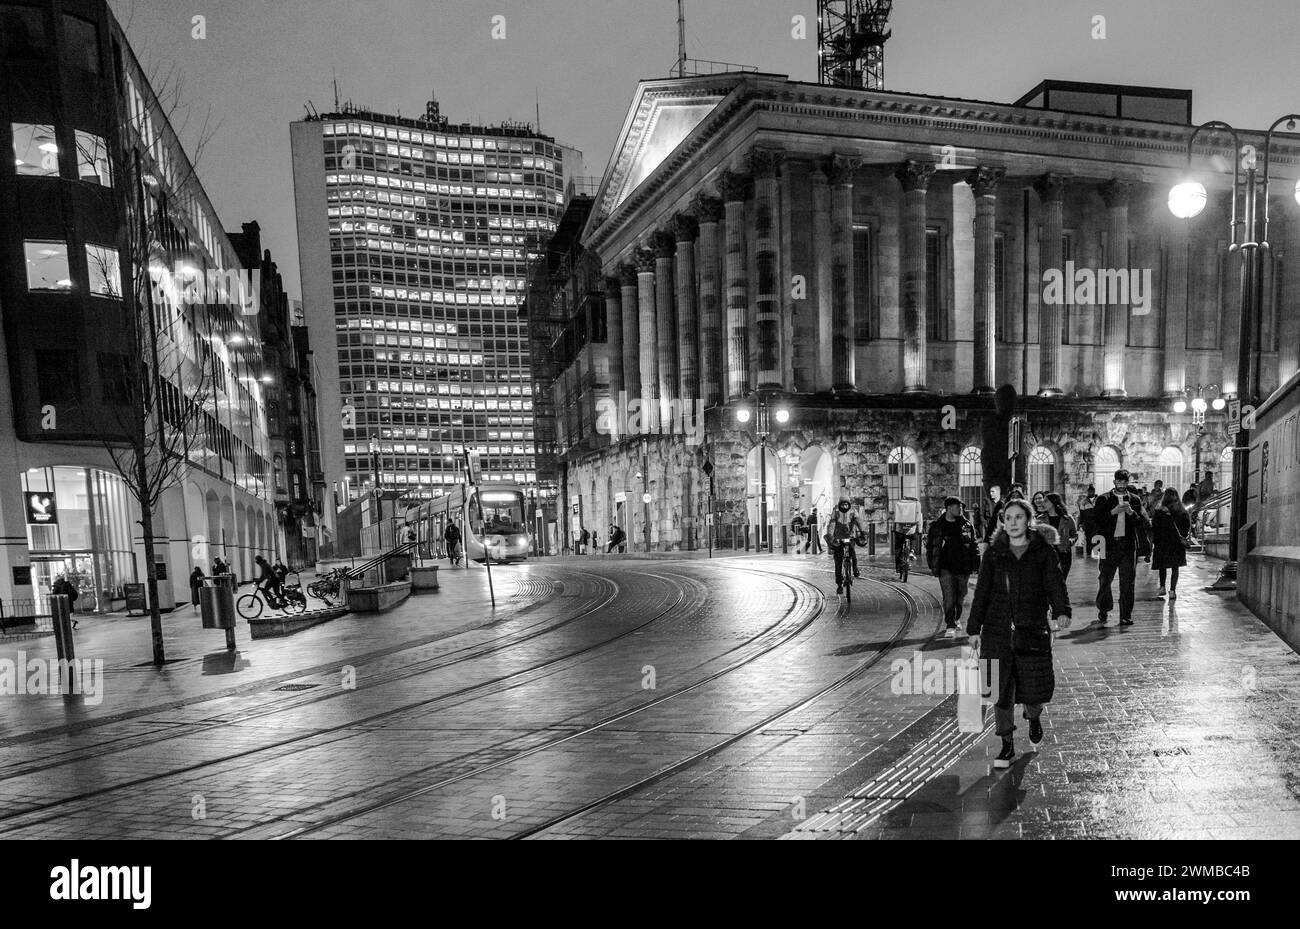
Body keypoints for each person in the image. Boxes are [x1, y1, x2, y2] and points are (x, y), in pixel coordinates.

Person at [968, 499, 1072, 769]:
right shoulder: (993, 553)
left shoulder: (1043, 551)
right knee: (999, 691)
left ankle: (1033, 716)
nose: (1012, 523)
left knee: (1033, 687)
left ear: (1028, 520)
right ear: (1003, 522)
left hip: (1032, 628)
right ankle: (1006, 745)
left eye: (1018, 517)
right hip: (996, 631)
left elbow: (1054, 583)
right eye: (1008, 518)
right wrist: (973, 628)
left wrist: (1062, 610)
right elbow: (982, 592)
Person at [1092, 469, 1150, 627]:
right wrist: (1113, 512)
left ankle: (1125, 615)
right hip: (1107, 545)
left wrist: (1131, 513)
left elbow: (1141, 523)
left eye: (1125, 482)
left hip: (1128, 546)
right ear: (1114, 482)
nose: (1122, 485)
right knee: (1105, 579)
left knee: (1128, 582)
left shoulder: (1135, 499)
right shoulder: (1104, 499)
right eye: (1119, 482)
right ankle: (1103, 609)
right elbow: (1096, 521)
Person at [926, 496, 980, 637]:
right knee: (948, 597)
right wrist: (931, 563)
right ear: (949, 508)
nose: (961, 509)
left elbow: (973, 545)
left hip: (963, 567)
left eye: (961, 507)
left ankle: (956, 619)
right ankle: (950, 624)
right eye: (958, 507)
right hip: (945, 567)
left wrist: (976, 563)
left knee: (960, 597)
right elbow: (930, 546)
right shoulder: (937, 526)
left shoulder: (966, 525)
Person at [1151, 488, 1192, 599]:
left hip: (1162, 542)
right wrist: (1182, 535)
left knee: (1162, 567)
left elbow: (1154, 527)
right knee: (1175, 567)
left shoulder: (1160, 510)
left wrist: (1155, 541)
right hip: (1176, 542)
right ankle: (1172, 590)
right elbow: (1187, 525)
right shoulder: (1181, 510)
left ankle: (1162, 587)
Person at [827, 496, 862, 594]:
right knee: (838, 562)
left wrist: (863, 532)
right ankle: (839, 584)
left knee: (853, 554)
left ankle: (855, 570)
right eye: (843, 504)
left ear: (849, 504)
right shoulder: (836, 512)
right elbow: (832, 524)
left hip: (850, 537)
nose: (845, 506)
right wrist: (830, 535)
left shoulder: (853, 511)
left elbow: (859, 522)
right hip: (838, 538)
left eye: (846, 504)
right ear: (840, 504)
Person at [1042, 493, 1078, 579]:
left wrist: (1070, 541)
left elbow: (1074, 534)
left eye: (1046, 501)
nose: (1043, 503)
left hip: (1063, 553)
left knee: (1062, 580)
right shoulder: (1041, 519)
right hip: (1046, 554)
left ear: (1054, 502)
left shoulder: (1067, 519)